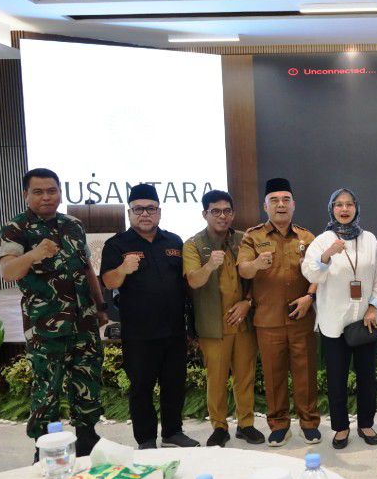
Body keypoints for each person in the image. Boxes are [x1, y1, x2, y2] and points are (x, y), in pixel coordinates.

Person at [0, 168, 106, 459]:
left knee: (87, 379)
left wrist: (100, 306)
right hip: (46, 325)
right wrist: (34, 254)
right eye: (38, 192)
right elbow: (8, 272)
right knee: (47, 388)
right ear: (26, 195)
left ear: (59, 192)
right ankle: (45, 448)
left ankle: (87, 437)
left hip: (83, 321)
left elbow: (87, 268)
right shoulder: (16, 228)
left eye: (51, 191)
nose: (46, 197)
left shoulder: (73, 225)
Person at [101, 183, 199, 448]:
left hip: (174, 329)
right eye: (138, 209)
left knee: (174, 384)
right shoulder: (117, 245)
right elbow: (109, 281)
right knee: (141, 387)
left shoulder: (174, 241)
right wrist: (123, 268)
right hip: (139, 333)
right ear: (130, 213)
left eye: (151, 208)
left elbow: (186, 282)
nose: (145, 214)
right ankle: (145, 439)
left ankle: (172, 432)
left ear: (159, 212)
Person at [238, 177, 322, 447]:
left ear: (293, 205)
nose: (280, 205)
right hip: (268, 319)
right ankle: (279, 425)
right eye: (274, 200)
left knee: (305, 374)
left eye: (286, 200)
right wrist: (256, 264)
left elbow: (320, 272)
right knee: (273, 376)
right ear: (265, 206)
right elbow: (243, 270)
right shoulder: (253, 237)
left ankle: (309, 423)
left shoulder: (307, 237)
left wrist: (310, 296)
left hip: (301, 317)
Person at [303, 188, 377, 449]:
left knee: (367, 376)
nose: (344, 209)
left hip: (366, 320)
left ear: (356, 208)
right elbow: (311, 275)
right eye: (338, 204)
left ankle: (366, 424)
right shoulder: (322, 241)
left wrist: (374, 307)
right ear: (332, 209)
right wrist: (326, 255)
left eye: (349, 204)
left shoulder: (369, 239)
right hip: (334, 322)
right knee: (336, 378)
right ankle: (340, 427)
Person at [183, 190, 264, 448]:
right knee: (216, 379)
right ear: (205, 213)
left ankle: (246, 424)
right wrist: (209, 265)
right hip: (213, 324)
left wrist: (247, 302)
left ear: (233, 213)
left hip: (243, 321)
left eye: (227, 211)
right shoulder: (193, 244)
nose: (222, 216)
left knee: (245, 376)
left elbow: (258, 279)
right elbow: (193, 281)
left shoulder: (243, 240)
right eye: (216, 211)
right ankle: (219, 427)